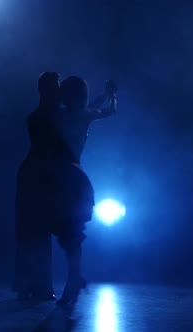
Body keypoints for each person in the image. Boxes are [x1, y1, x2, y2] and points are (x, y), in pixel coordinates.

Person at [48, 76, 117, 306]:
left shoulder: (61, 115)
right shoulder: (81, 114)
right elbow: (105, 110)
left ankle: (73, 281)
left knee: (69, 233)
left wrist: (108, 95)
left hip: (67, 178)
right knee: (71, 234)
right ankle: (73, 280)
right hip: (72, 177)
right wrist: (110, 95)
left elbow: (99, 108)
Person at [13, 72, 61, 301]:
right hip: (35, 177)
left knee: (38, 232)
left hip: (39, 177)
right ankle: (34, 284)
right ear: (45, 90)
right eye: (55, 86)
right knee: (34, 232)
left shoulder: (44, 116)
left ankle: (36, 285)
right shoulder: (40, 118)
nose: (58, 90)